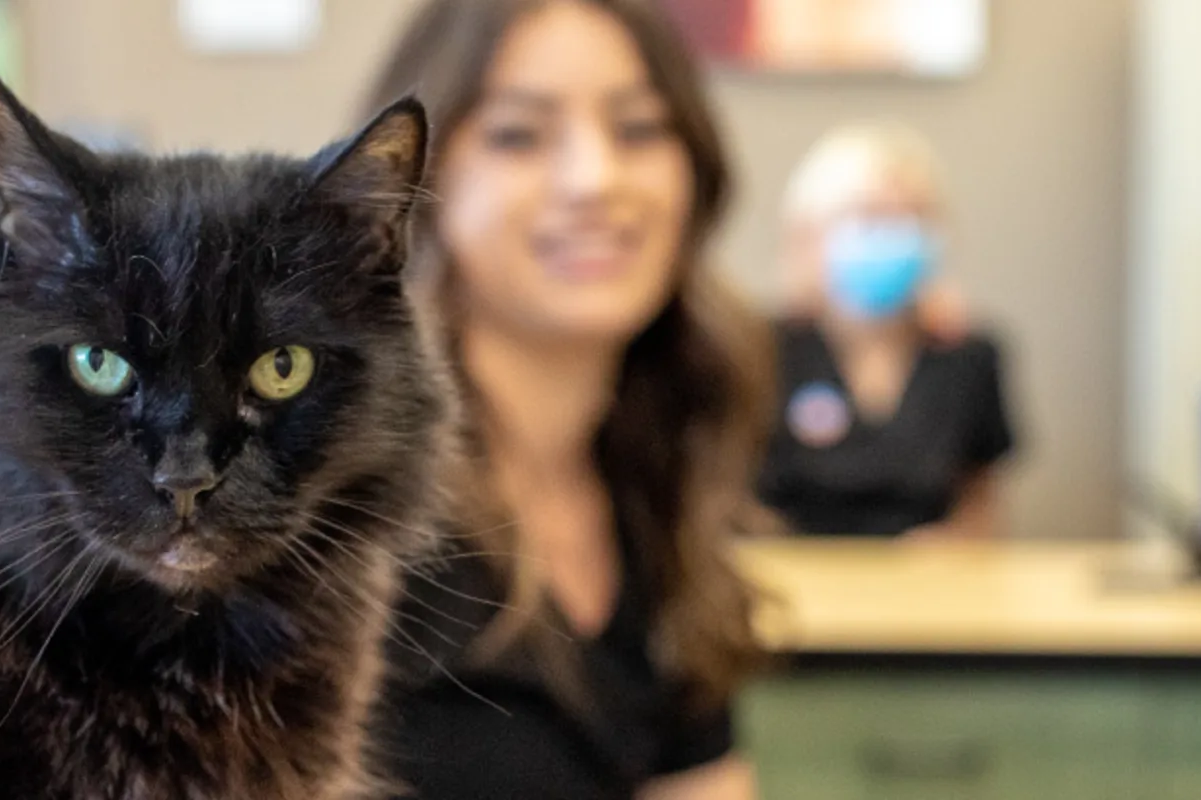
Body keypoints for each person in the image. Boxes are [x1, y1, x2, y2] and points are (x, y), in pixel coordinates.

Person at [358, 1, 772, 798]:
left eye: (640, 129)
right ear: (412, 176)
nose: (593, 180)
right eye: (520, 134)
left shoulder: (655, 475)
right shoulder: (345, 520)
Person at [754, 122, 1017, 539]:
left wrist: (955, 550)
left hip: (924, 592)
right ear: (809, 233)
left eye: (911, 216)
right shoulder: (759, 348)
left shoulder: (967, 354)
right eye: (869, 215)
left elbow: (981, 499)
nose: (891, 233)